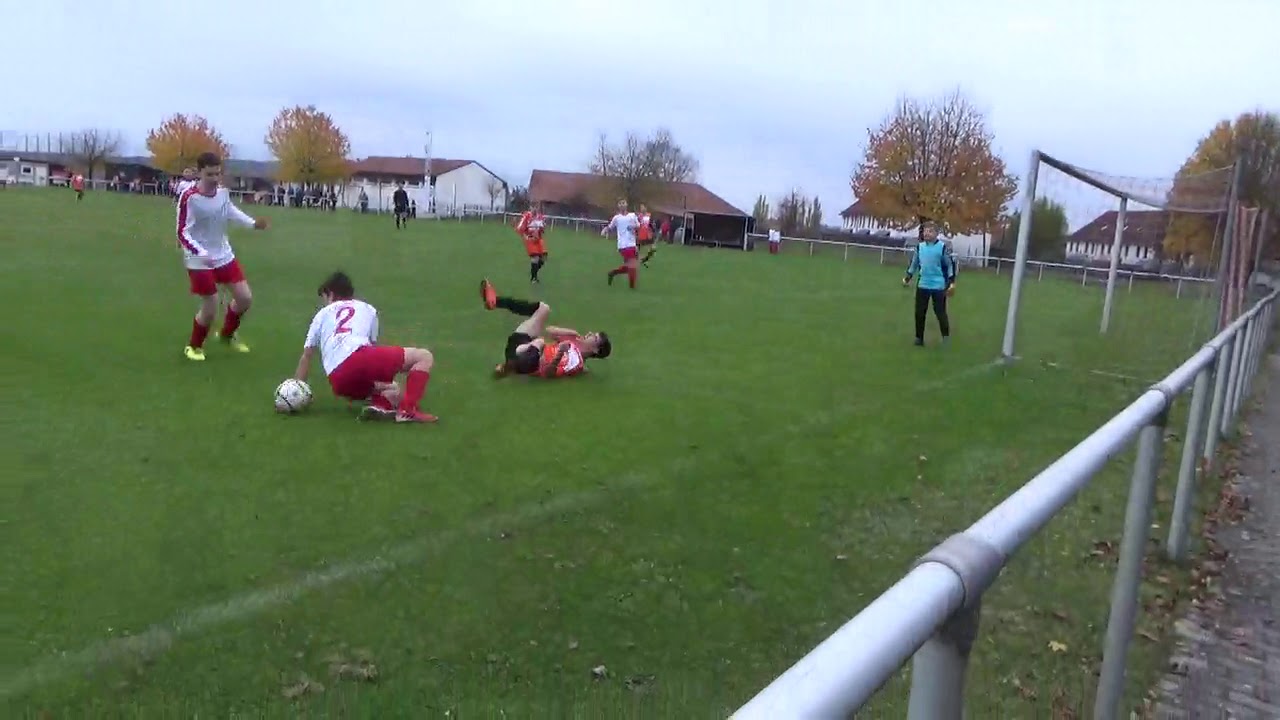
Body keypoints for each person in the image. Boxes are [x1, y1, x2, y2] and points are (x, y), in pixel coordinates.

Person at [292, 271, 438, 423]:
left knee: (394, 389)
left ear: (331, 294)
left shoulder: (322, 314)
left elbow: (307, 355)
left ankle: (380, 406)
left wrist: (296, 389)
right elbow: (371, 347)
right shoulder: (367, 308)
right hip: (358, 359)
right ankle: (407, 412)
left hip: (338, 381)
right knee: (424, 356)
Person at [178, 151, 269, 361]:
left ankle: (227, 335)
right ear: (199, 172)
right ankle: (194, 346)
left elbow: (231, 211)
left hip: (223, 254)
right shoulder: (189, 197)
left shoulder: (222, 193)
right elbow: (182, 231)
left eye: (217, 174)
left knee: (245, 298)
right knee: (210, 306)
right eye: (209, 174)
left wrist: (253, 223)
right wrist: (201, 252)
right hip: (198, 258)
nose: (214, 179)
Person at [480, 279, 611, 378]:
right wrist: (571, 333)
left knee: (540, 342)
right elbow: (550, 330)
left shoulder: (577, 363)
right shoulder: (573, 339)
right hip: (522, 346)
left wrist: (560, 353)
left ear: (595, 349)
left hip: (527, 362)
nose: (589, 333)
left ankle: (506, 367)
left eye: (594, 337)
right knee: (543, 309)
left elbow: (549, 374)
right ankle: (495, 302)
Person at [902, 221, 956, 346]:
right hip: (923, 284)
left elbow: (949, 265)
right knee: (920, 312)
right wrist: (908, 276)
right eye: (925, 231)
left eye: (930, 231)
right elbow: (914, 263)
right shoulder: (920, 247)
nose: (927, 233)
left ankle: (945, 337)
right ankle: (919, 338)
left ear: (937, 233)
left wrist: (951, 282)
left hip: (938, 285)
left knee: (940, 312)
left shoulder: (942, 247)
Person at [601, 199, 640, 289]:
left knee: (630, 266)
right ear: (618, 206)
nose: (622, 205)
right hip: (623, 245)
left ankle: (612, 273)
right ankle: (632, 287)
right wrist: (604, 230)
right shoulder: (616, 218)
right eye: (620, 203)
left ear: (626, 205)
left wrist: (633, 226)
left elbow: (638, 225)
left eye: (624, 203)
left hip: (632, 243)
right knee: (632, 266)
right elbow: (610, 227)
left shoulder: (632, 215)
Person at [515, 204, 549, 283]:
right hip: (530, 240)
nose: (534, 209)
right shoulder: (526, 216)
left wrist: (542, 228)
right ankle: (533, 278)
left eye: (536, 207)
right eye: (533, 207)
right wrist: (526, 236)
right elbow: (519, 228)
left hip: (539, 239)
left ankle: (534, 273)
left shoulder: (540, 217)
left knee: (543, 258)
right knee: (535, 258)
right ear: (530, 207)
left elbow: (542, 228)